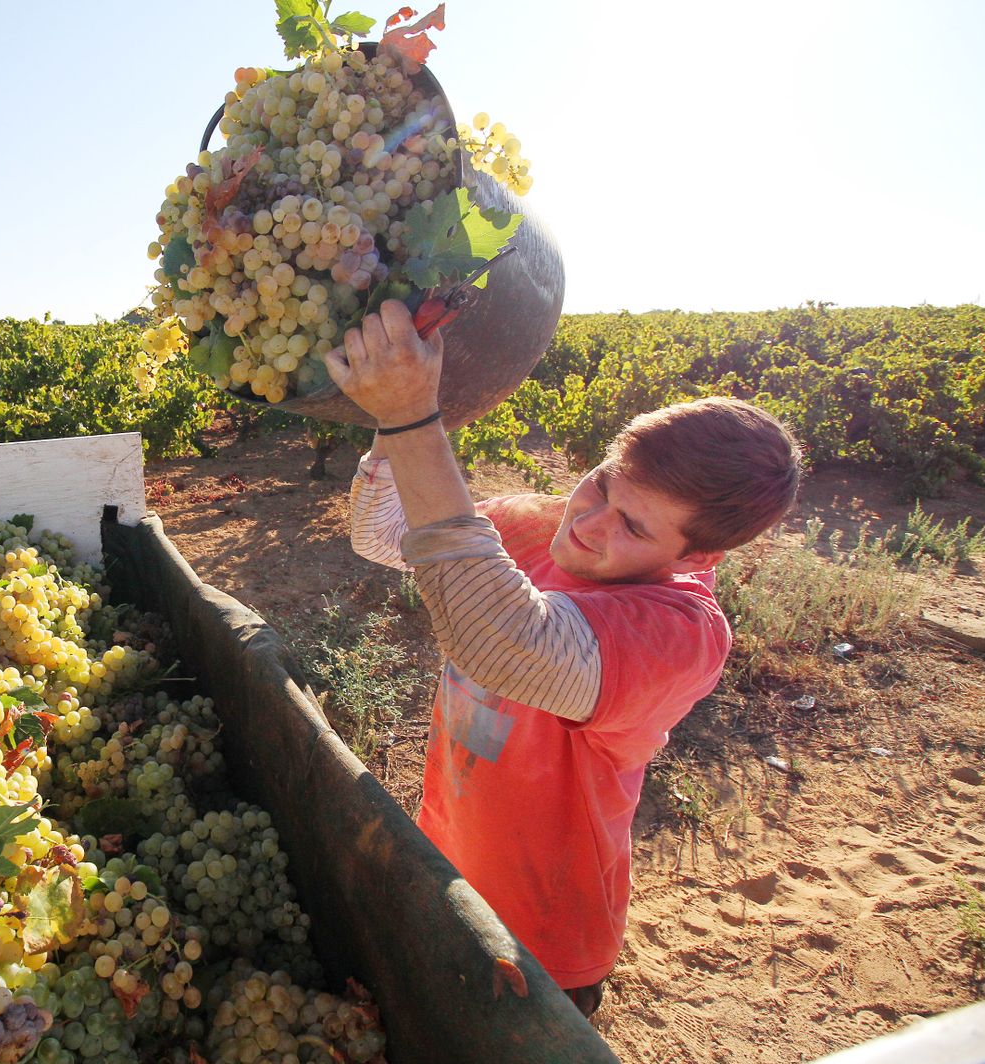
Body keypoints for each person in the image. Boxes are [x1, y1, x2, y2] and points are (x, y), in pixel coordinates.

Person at [324, 301, 802, 1018]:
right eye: (604, 482)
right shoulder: (535, 524)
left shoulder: (681, 634)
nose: (587, 523)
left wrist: (414, 420)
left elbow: (499, 640)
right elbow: (384, 532)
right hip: (449, 859)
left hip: (546, 936)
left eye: (633, 525)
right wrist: (407, 412)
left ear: (697, 554)